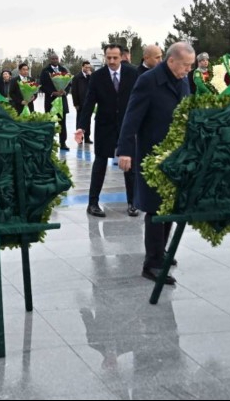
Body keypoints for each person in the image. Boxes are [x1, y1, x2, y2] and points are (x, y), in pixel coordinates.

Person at [117, 42, 194, 285]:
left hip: (175, 155)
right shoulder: (148, 81)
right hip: (152, 154)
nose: (188, 70)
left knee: (169, 204)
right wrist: (125, 150)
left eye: (190, 66)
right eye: (185, 65)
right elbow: (131, 116)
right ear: (171, 61)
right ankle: (152, 263)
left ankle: (161, 252)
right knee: (154, 207)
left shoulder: (182, 80)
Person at [75, 44, 139, 218]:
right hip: (104, 126)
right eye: (108, 57)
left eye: (115, 58)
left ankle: (133, 203)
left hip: (126, 126)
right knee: (100, 164)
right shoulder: (97, 76)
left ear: (122, 57)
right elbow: (89, 103)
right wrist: (81, 126)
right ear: (105, 57)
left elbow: (139, 99)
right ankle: (92, 203)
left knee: (129, 165)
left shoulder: (132, 74)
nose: (111, 61)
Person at [40, 53, 70, 150]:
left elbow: (69, 83)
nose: (55, 60)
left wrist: (65, 92)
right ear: (50, 60)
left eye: (56, 58)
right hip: (50, 101)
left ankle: (63, 143)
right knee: (50, 122)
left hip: (62, 101)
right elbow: (42, 85)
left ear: (58, 59)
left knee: (62, 123)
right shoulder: (45, 71)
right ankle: (49, 142)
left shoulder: (63, 69)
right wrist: (53, 92)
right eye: (53, 58)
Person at [71, 61, 93, 144]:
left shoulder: (91, 77)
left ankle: (87, 137)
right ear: (82, 67)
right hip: (80, 103)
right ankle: (80, 137)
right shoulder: (77, 77)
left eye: (89, 67)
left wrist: (91, 76)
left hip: (89, 103)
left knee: (88, 120)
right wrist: (75, 103)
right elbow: (74, 91)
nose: (87, 69)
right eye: (86, 67)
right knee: (80, 120)